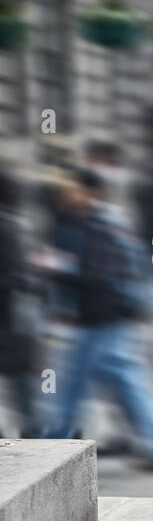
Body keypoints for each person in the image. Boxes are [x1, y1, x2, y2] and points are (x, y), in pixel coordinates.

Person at [44, 167, 153, 469]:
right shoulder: (107, 220)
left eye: (71, 189)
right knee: (126, 381)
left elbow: (98, 275)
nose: (64, 195)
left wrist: (59, 267)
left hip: (101, 317)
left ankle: (54, 447)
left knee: (73, 385)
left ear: (90, 192)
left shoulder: (96, 225)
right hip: (110, 315)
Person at [0, 167, 43, 438]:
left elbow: (15, 280)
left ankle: (41, 445)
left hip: (12, 326)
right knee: (24, 394)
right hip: (18, 326)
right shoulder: (15, 226)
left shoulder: (6, 229)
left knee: (24, 396)